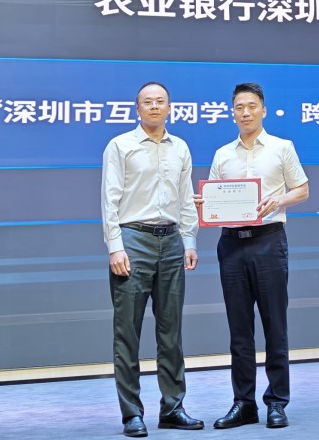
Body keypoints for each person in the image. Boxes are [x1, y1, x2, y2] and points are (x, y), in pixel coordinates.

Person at [203, 82, 310, 430]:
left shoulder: (282, 147)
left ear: (263, 110)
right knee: (239, 330)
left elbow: (302, 189)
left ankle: (277, 402)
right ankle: (243, 404)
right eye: (239, 107)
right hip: (232, 245)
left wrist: (279, 199)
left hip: (268, 242)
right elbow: (213, 197)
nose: (245, 112)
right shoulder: (223, 154)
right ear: (232, 113)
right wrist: (206, 203)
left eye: (251, 106)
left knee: (274, 326)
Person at [101, 82, 203, 437]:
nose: (155, 106)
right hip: (133, 240)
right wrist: (115, 246)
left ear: (170, 108)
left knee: (171, 331)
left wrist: (189, 240)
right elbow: (110, 199)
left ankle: (173, 408)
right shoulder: (120, 145)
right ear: (137, 108)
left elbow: (186, 199)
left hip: (172, 242)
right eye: (148, 102)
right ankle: (131, 414)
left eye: (161, 101)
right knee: (127, 332)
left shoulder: (180, 148)